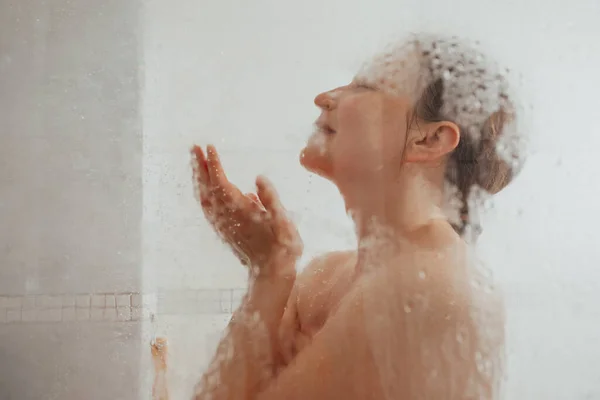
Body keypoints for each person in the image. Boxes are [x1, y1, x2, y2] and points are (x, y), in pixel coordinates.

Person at [190, 33, 523, 400]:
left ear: (429, 141)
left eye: (365, 86)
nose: (325, 98)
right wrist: (267, 268)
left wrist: (271, 272)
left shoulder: (434, 287)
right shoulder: (323, 277)